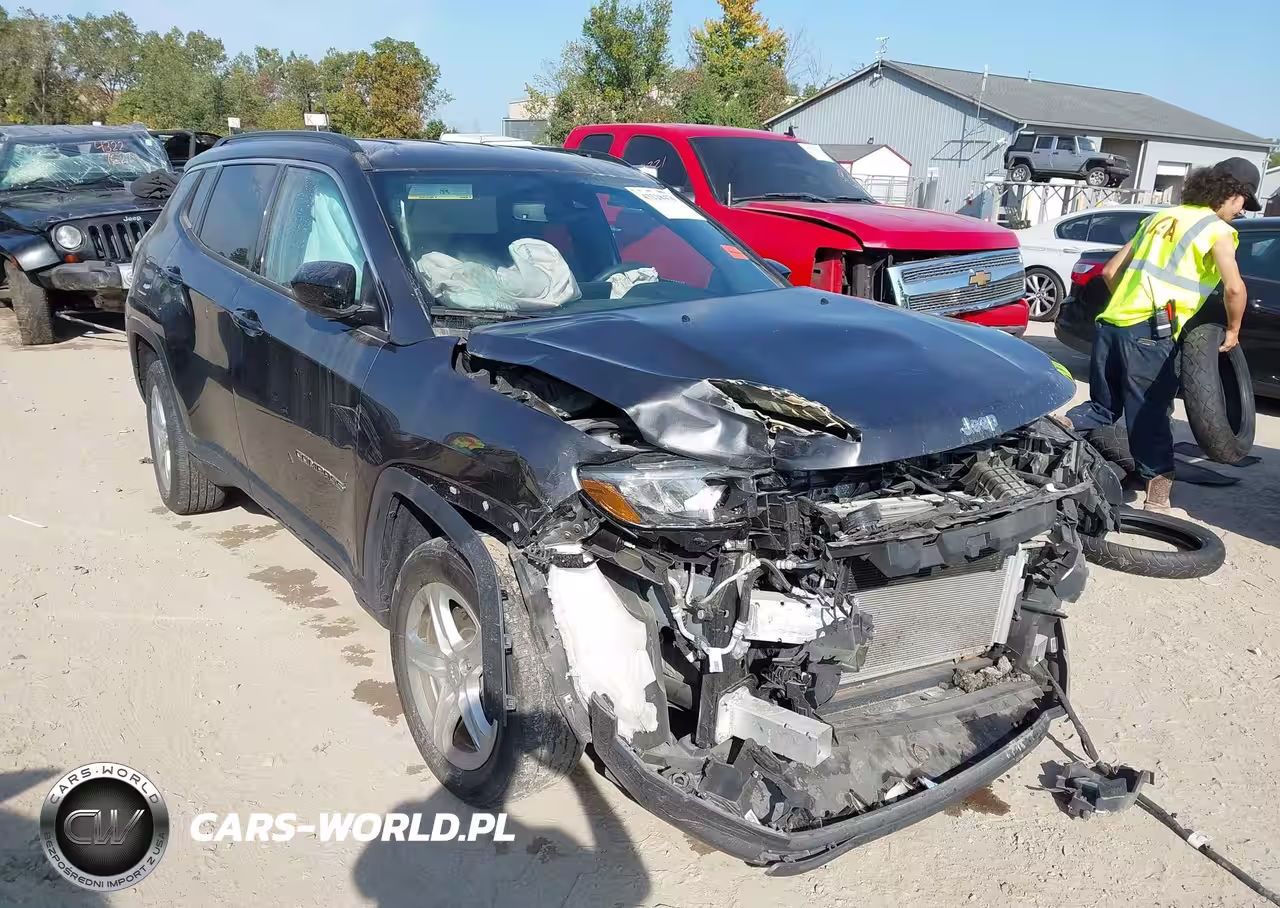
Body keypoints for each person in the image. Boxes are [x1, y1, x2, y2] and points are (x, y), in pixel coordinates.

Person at [1065, 157, 1262, 511]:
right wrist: (1232, 331)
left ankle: (1051, 427)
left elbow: (1111, 271)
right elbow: (1234, 289)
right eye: (1243, 203)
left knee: (1101, 407)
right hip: (1149, 332)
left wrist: (1131, 301)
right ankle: (1158, 498)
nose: (1241, 211)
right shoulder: (1217, 231)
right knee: (1151, 414)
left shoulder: (1159, 218)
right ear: (1233, 194)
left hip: (1111, 324)